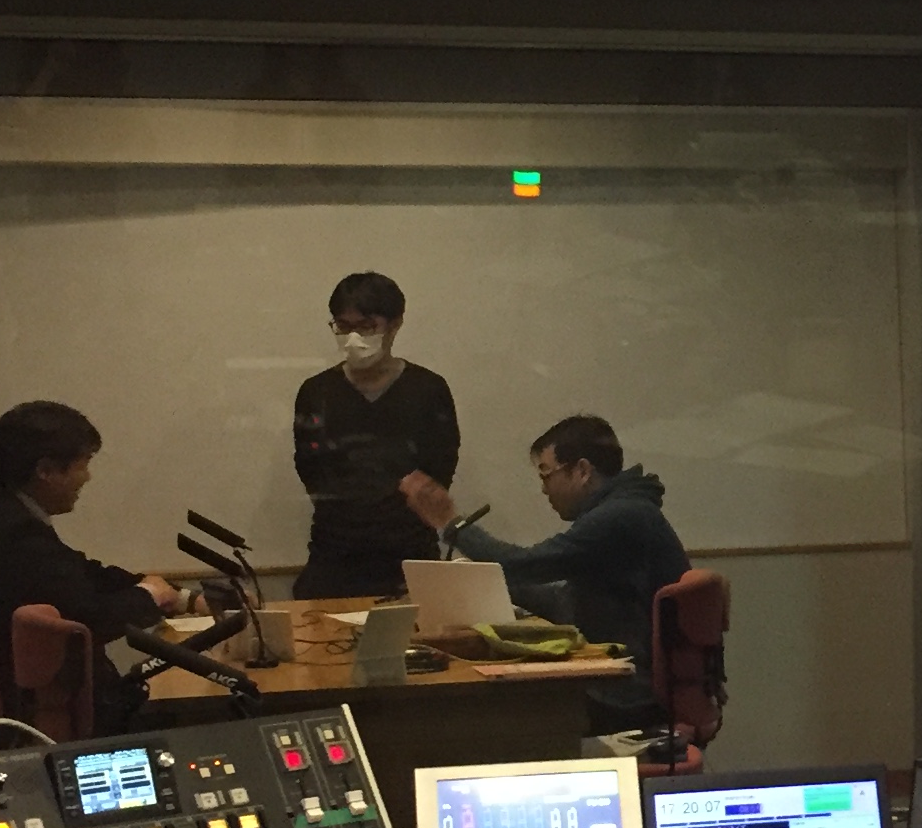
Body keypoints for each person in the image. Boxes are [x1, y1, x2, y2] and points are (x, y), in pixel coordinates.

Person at [413, 414, 688, 727]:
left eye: (546, 475)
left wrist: (452, 524)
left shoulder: (621, 516)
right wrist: (482, 583)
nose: (544, 490)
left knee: (482, 712)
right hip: (623, 677)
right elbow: (564, 600)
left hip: (626, 692)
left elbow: (522, 565)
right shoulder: (624, 509)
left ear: (582, 471)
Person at [0, 401, 191, 721]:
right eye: (82, 465)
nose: (87, 477)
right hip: (46, 719)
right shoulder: (18, 537)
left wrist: (179, 596)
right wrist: (150, 595)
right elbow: (87, 620)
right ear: (46, 471)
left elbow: (85, 573)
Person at [292, 271, 461, 598]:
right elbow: (311, 471)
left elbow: (437, 476)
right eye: (343, 327)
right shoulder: (316, 392)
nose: (353, 338)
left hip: (410, 556)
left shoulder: (428, 390)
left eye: (367, 326)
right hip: (333, 558)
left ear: (395, 324)